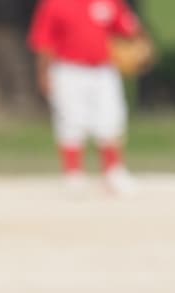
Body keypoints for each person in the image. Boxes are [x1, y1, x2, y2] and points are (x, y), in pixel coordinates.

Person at [27, 0, 147, 194]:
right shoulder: (55, 4)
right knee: (71, 119)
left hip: (103, 69)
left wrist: (138, 41)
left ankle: (113, 171)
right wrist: (43, 73)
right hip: (68, 69)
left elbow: (129, 28)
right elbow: (44, 41)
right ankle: (73, 174)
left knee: (110, 117)